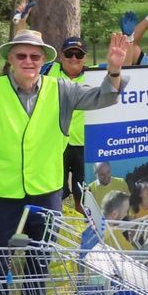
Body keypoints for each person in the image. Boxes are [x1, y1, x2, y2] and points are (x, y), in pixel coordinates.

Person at [0, 29, 128, 295]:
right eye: (21, 56)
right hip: (1, 194)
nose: (28, 61)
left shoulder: (61, 90)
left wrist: (115, 68)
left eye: (35, 56)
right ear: (10, 60)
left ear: (43, 60)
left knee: (39, 260)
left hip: (46, 193)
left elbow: (105, 96)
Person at [43, 36, 90, 211]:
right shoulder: (48, 70)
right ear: (61, 56)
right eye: (69, 54)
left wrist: (129, 39)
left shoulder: (94, 75)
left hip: (83, 144)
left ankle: (81, 229)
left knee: (83, 194)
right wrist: (20, 24)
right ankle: (57, 228)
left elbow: (125, 71)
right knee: (55, 191)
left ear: (84, 58)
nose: (73, 59)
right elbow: (23, 61)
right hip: (54, 142)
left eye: (79, 55)